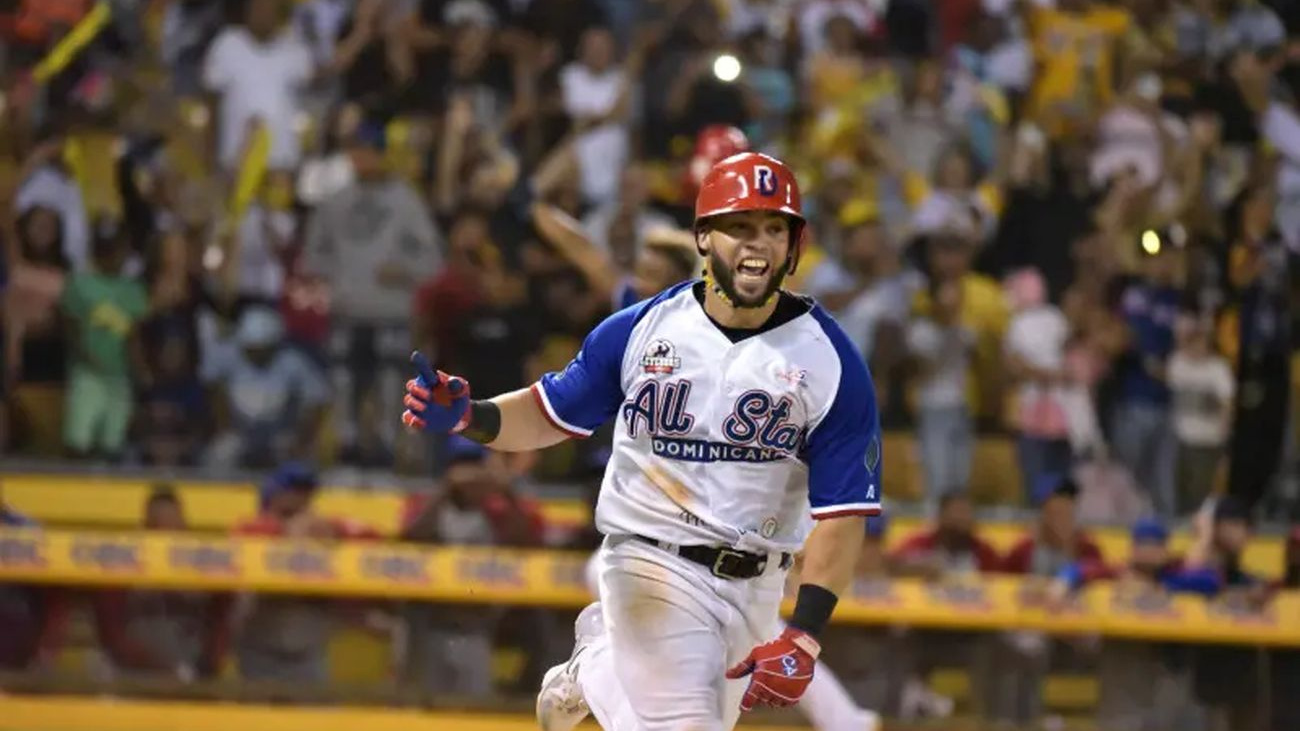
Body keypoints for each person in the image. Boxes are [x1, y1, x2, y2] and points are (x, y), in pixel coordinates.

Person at [402, 152, 882, 731]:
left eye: (774, 227)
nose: (758, 243)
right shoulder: (641, 326)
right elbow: (552, 412)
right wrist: (470, 418)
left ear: (794, 243)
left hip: (758, 584)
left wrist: (803, 634)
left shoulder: (831, 361)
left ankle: (596, 670)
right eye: (739, 226)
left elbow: (844, 512)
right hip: (652, 559)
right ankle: (603, 665)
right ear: (704, 237)